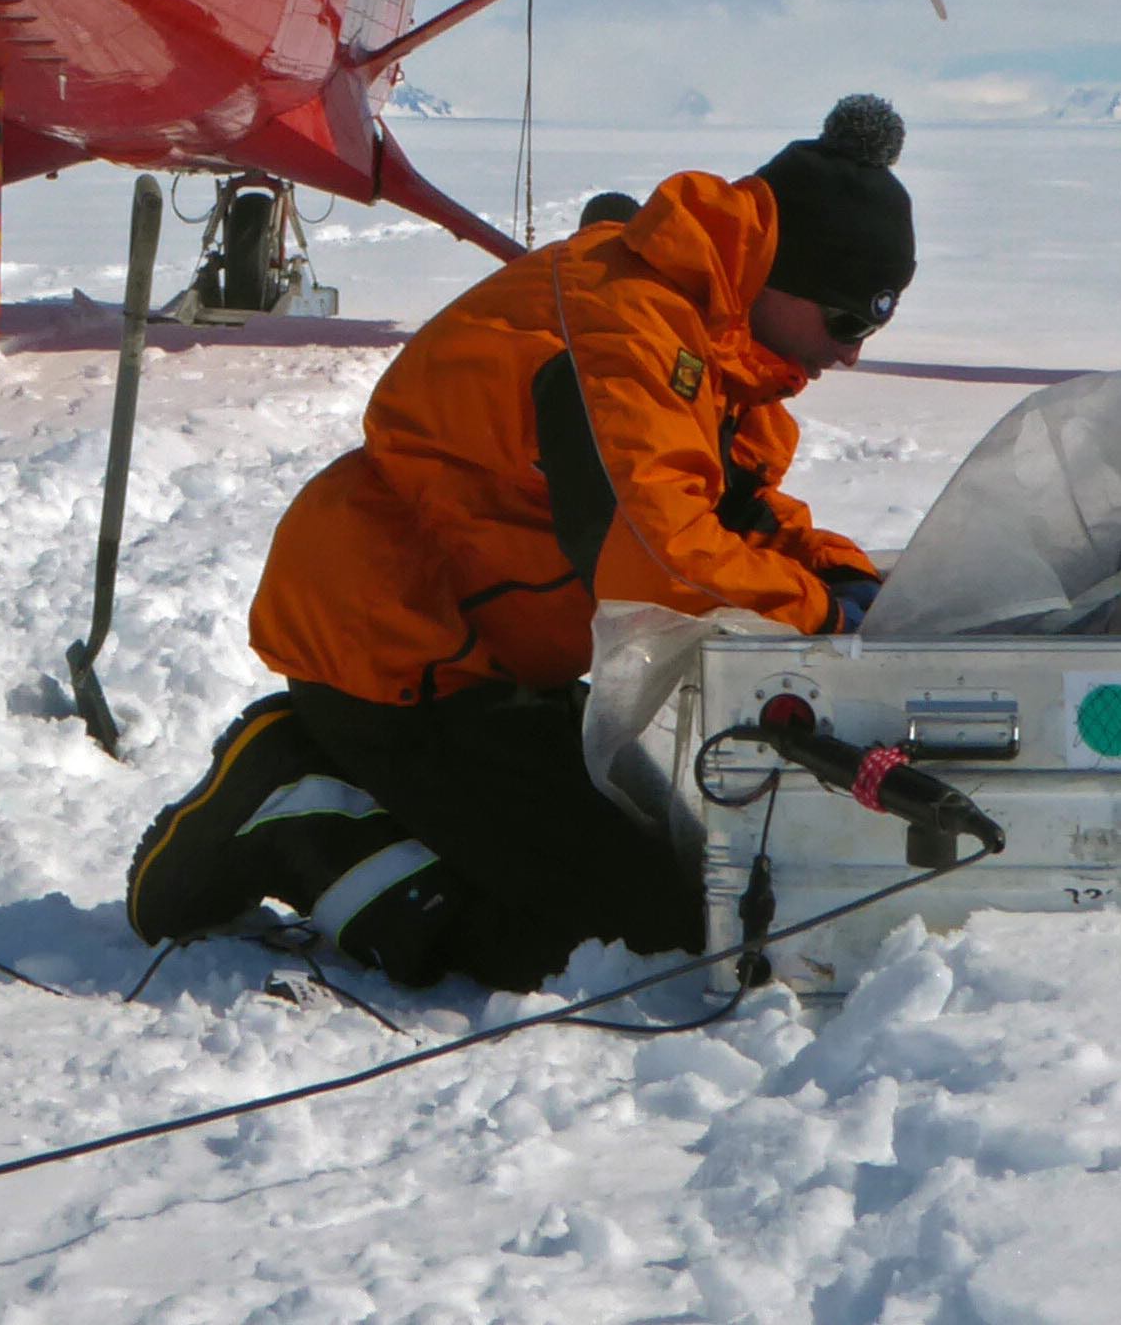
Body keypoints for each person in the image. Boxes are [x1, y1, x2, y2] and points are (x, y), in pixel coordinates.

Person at [126, 96, 917, 990]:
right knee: (624, 944)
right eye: (848, 321)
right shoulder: (623, 332)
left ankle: (364, 785)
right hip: (393, 651)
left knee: (687, 883)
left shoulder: (709, 342)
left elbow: (735, 509)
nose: (851, 354)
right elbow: (654, 554)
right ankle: (289, 804)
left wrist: (844, 575)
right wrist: (815, 612)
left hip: (492, 662)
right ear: (781, 273)